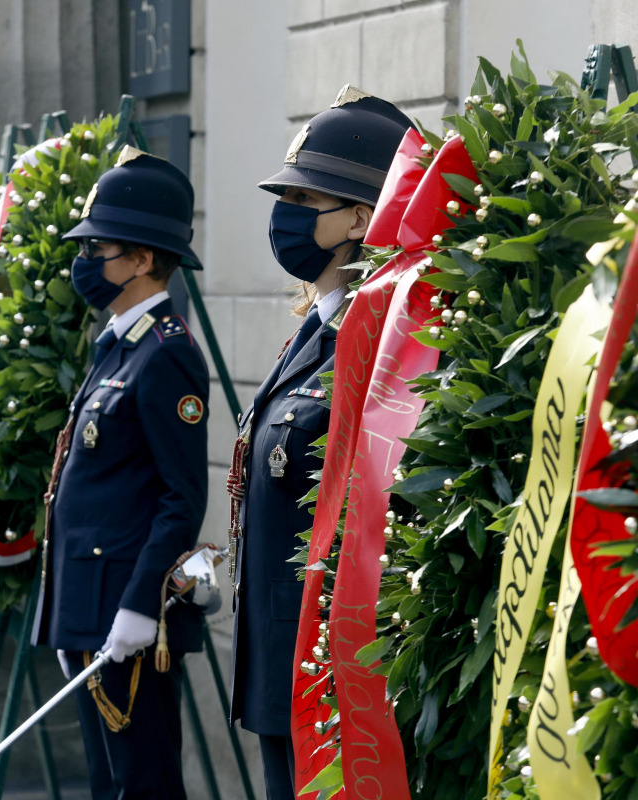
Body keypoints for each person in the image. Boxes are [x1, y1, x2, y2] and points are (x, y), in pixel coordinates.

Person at [228, 85, 415, 798]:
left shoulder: (382, 340)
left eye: (306, 202)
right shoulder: (315, 328)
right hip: (280, 652)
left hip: (333, 664)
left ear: (360, 219)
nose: (285, 216)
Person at [32, 145, 209, 800]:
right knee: (111, 784)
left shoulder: (166, 355)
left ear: (141, 259)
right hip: (91, 608)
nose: (85, 264)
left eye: (98, 250)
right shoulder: (118, 346)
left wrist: (139, 606)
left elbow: (180, 497)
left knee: (144, 784)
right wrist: (66, 612)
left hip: (126, 614)